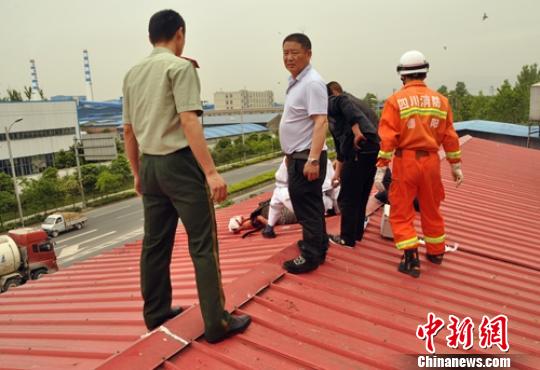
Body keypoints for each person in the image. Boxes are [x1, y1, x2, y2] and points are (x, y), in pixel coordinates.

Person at [122, 9, 250, 342]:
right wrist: (211, 173)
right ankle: (216, 322)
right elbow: (189, 121)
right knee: (203, 245)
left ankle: (156, 314)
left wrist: (137, 173)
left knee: (154, 245)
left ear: (152, 36)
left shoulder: (132, 73)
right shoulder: (180, 68)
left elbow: (128, 132)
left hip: (149, 165)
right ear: (179, 33)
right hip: (179, 164)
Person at [374, 50, 464, 278]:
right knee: (431, 208)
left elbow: (388, 137)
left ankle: (411, 257)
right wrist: (455, 165)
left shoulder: (395, 101)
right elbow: (450, 136)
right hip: (432, 162)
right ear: (424, 73)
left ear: (402, 76)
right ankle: (436, 252)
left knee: (401, 211)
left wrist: (382, 166)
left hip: (407, 162)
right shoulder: (441, 101)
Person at [279, 33, 329, 274]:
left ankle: (311, 256)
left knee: (306, 208)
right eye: (285, 53)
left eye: (294, 52)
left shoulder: (312, 83)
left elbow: (321, 122)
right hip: (298, 156)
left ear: (308, 54)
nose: (289, 57)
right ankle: (319, 245)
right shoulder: (298, 81)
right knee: (311, 206)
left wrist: (312, 159)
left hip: (306, 157)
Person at [326, 82, 380, 247]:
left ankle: (347, 239)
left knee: (348, 197)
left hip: (359, 148)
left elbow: (342, 100)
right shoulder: (357, 106)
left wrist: (357, 132)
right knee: (361, 193)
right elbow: (339, 145)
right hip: (371, 150)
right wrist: (337, 173)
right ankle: (356, 234)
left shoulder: (336, 100)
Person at [261, 157, 339, 238]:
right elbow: (334, 188)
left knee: (277, 197)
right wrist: (337, 209)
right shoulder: (324, 161)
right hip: (312, 204)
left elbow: (279, 186)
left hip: (288, 197)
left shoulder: (289, 157)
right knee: (328, 199)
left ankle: (269, 227)